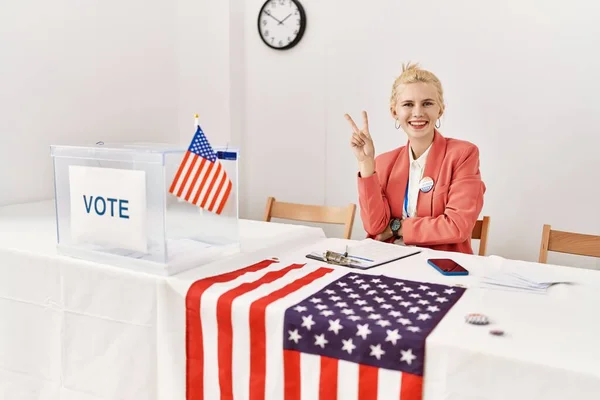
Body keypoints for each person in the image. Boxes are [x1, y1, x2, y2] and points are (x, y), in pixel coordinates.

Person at [345, 62, 486, 255]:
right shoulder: (384, 162)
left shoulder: (463, 155)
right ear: (395, 112)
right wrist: (366, 162)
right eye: (408, 104)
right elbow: (375, 227)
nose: (418, 112)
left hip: (440, 267)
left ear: (440, 110)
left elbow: (456, 226)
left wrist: (396, 227)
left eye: (427, 103)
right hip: (389, 262)